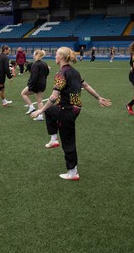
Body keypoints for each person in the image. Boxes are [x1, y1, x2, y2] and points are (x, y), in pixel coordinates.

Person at [31, 47, 111, 181]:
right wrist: (98, 97)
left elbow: (53, 96)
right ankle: (54, 139)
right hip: (74, 108)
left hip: (67, 110)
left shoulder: (61, 73)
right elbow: (85, 86)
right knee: (51, 111)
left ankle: (73, 172)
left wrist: (40, 110)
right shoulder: (74, 71)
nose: (54, 57)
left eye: (56, 55)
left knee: (68, 140)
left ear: (61, 57)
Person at [21, 50, 50, 120]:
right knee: (39, 101)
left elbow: (34, 76)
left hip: (35, 84)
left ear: (37, 55)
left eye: (34, 54)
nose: (33, 55)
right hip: (42, 84)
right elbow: (47, 73)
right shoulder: (44, 64)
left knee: (23, 93)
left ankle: (31, 107)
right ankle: (40, 116)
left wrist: (30, 85)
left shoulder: (35, 64)